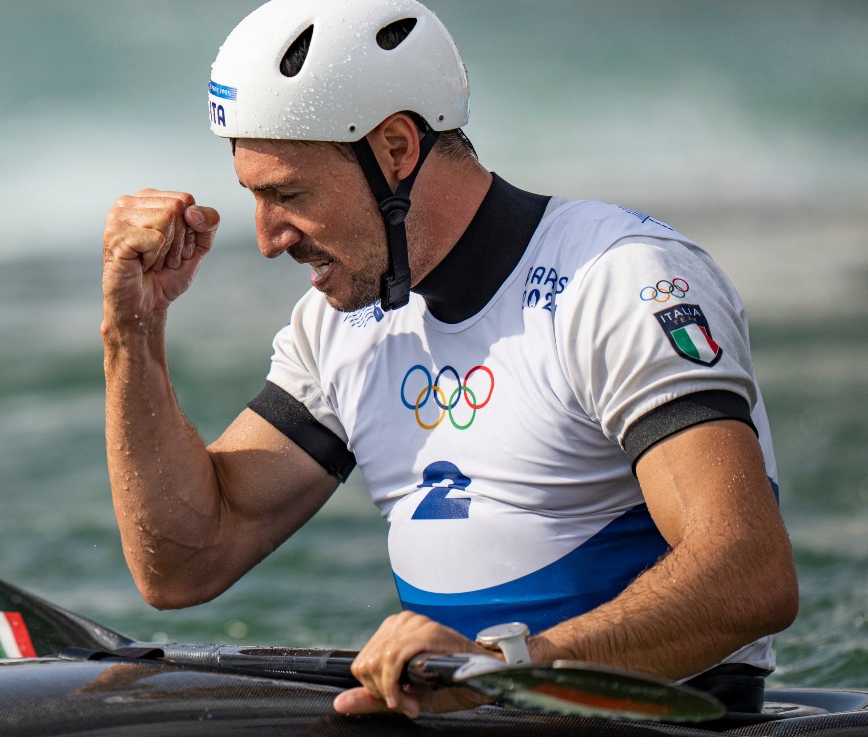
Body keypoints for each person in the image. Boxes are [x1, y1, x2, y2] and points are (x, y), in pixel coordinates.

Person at [101, 0, 798, 719]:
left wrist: (504, 666)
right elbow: (185, 561)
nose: (268, 238)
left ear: (397, 148)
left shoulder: (616, 282)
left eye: (288, 194)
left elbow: (748, 573)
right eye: (253, 195)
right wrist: (133, 333)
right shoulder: (342, 325)